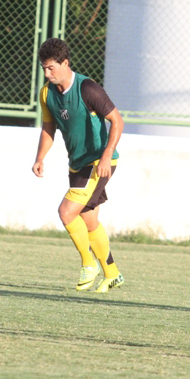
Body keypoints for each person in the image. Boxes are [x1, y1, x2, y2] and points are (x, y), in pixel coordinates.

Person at [32, 38, 125, 293]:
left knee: (66, 212)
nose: (47, 73)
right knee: (89, 221)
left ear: (65, 63)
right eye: (44, 68)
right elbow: (49, 128)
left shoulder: (87, 88)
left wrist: (106, 156)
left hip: (98, 162)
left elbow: (117, 121)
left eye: (51, 68)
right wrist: (40, 157)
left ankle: (88, 264)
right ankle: (112, 274)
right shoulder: (47, 94)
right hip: (77, 164)